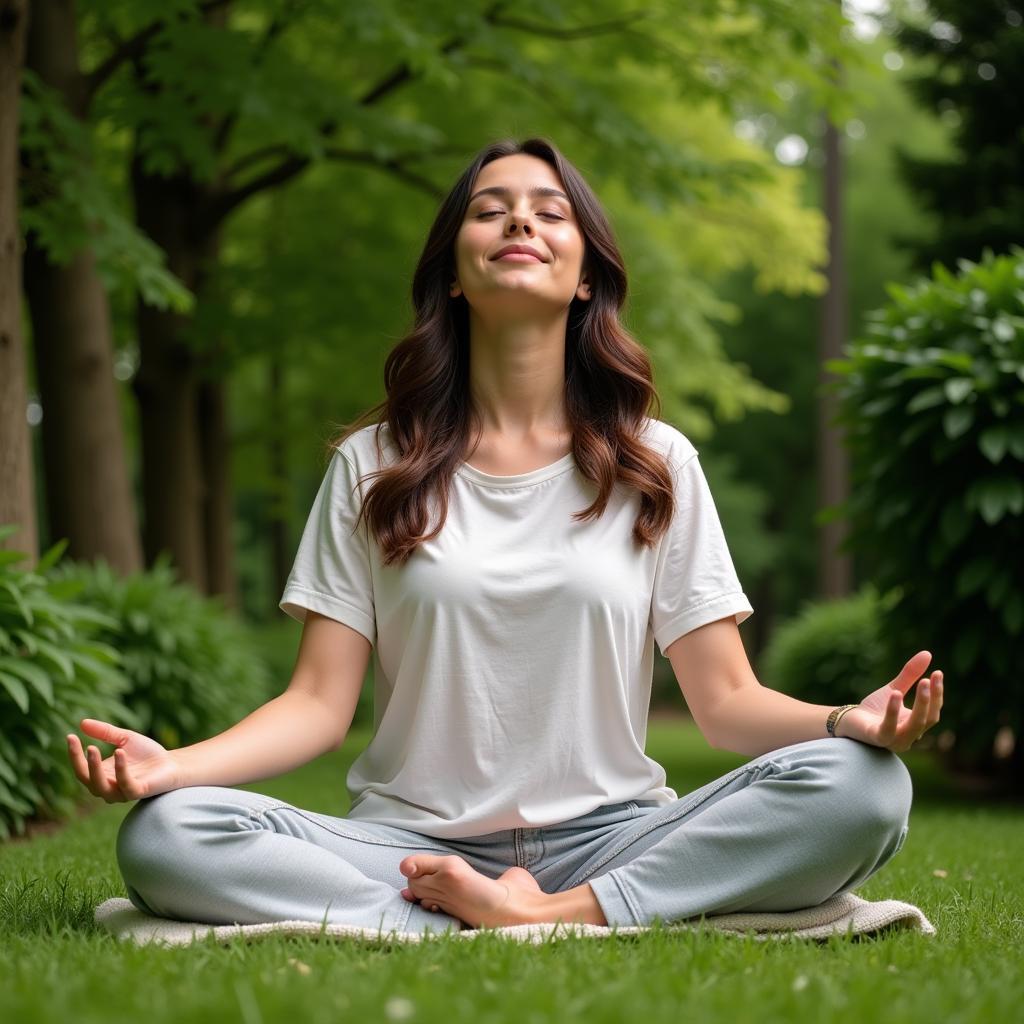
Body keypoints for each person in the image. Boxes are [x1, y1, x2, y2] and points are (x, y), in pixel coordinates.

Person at [67, 137, 944, 937]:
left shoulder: (655, 462)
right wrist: (175, 766)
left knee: (864, 787)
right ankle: (485, 913)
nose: (520, 218)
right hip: (409, 848)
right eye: (490, 209)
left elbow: (724, 704)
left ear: (586, 274)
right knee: (169, 834)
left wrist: (843, 723)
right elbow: (317, 707)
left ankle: (552, 912)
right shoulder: (374, 464)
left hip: (611, 839)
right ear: (454, 271)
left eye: (550, 210)